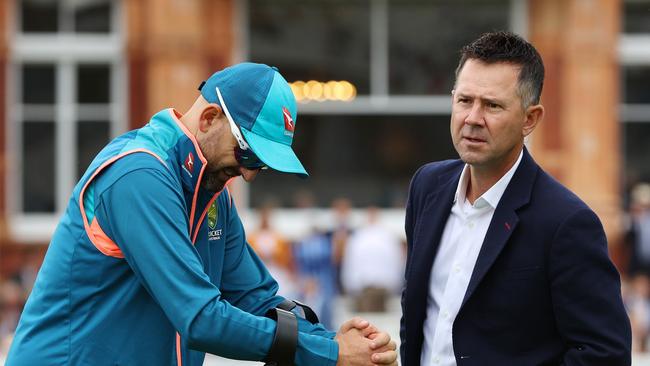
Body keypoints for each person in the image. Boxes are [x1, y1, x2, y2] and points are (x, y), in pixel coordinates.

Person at [6, 63, 397, 366]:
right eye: (248, 154)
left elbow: (255, 297)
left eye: (262, 164)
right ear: (209, 118)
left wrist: (333, 341)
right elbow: (200, 318)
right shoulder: (138, 176)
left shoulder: (212, 192)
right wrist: (331, 355)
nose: (248, 173)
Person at [400, 32, 631, 365]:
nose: (472, 119)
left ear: (530, 119)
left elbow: (604, 355)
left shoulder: (566, 223)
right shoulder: (427, 187)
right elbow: (419, 314)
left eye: (492, 105)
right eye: (465, 100)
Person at [341, 207, 404, 312]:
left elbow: (396, 261)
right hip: (365, 287)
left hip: (379, 287)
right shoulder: (360, 236)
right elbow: (350, 262)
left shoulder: (385, 236)